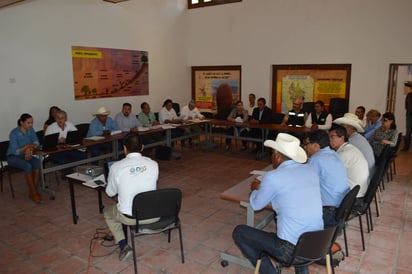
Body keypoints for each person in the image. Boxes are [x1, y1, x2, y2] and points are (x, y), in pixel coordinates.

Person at [232, 133, 323, 273]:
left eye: (271, 153)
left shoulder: (273, 177)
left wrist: (256, 189)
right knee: (299, 228)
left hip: (289, 250)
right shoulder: (310, 169)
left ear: (278, 156)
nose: (271, 157)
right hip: (317, 243)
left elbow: (256, 205)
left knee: (240, 232)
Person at [104, 133, 158, 261]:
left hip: (131, 218)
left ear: (124, 148)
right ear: (142, 147)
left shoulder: (116, 167)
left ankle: (123, 246)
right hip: (155, 214)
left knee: (107, 213)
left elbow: (110, 193)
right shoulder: (154, 164)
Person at [304, 130, 349, 227]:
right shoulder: (334, 154)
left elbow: (305, 185)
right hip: (340, 211)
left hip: (328, 214)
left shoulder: (316, 158)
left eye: (307, 144)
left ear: (316, 145)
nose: (305, 147)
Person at [7, 113, 43, 203]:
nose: (31, 125)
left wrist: (28, 148)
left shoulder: (31, 130)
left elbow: (36, 143)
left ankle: (32, 192)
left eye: (32, 123)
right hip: (13, 157)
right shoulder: (14, 133)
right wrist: (28, 146)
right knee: (28, 166)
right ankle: (34, 193)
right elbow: (15, 151)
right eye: (28, 123)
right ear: (21, 122)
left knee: (38, 163)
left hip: (25, 155)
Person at [329, 125, 369, 201]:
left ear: (342, 138)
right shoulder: (349, 148)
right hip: (357, 191)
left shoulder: (345, 154)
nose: (329, 140)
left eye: (332, 137)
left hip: (353, 197)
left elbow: (329, 173)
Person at [334, 113, 375, 180]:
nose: (340, 129)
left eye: (343, 127)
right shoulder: (357, 138)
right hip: (367, 174)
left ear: (352, 128)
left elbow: (339, 161)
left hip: (364, 177)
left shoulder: (351, 142)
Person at [401, 82, 412, 151]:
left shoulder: (409, 95)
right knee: (408, 132)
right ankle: (406, 147)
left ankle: (406, 147)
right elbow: (406, 105)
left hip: (409, 114)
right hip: (409, 115)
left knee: (408, 131)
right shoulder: (409, 95)